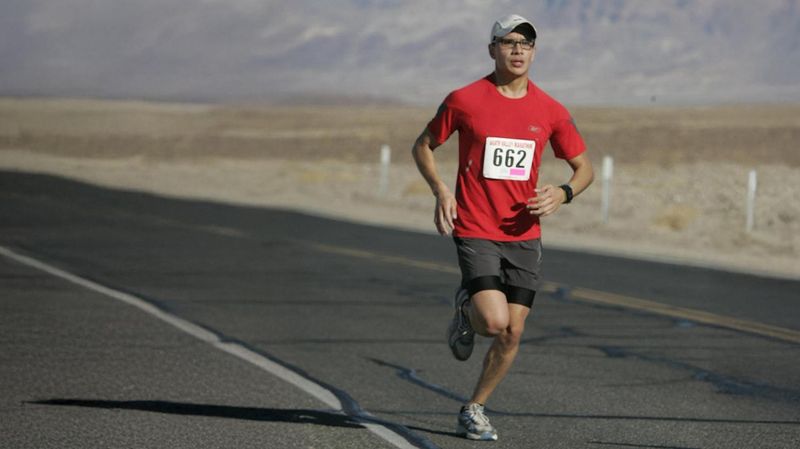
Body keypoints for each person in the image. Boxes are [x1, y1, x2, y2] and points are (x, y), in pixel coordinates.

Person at [411, 14, 594, 441]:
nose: (517, 50)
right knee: (493, 323)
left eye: (526, 43)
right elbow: (423, 145)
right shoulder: (465, 99)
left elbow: (584, 167)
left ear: (534, 52)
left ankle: (474, 408)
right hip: (475, 224)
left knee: (513, 331)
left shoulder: (550, 110)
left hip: (524, 234)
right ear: (492, 49)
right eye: (508, 42)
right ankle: (468, 307)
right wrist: (441, 190)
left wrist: (563, 193)